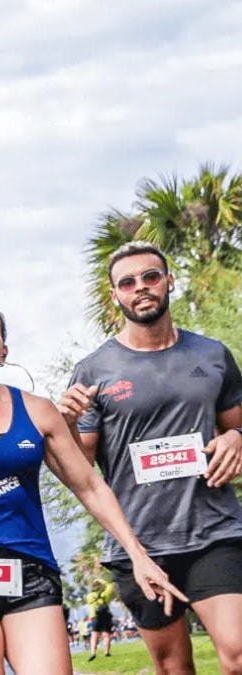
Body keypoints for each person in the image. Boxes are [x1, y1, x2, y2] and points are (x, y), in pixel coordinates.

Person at [0, 157, 185, 675]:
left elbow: (89, 486)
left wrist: (137, 552)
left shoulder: (38, 411)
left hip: (29, 570)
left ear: (4, 348)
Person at [61, 239, 242, 675]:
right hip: (139, 542)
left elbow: (236, 427)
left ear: (168, 282)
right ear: (115, 296)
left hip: (213, 530)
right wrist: (67, 424)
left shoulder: (212, 354)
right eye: (127, 282)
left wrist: (237, 437)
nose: (140, 287)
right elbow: (82, 469)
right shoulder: (93, 371)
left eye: (150, 276)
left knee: (237, 654)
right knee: (174, 668)